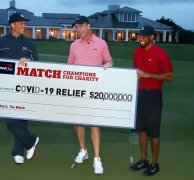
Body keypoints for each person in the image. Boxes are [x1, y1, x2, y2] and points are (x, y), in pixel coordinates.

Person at [0, 12, 39, 165]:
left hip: (24, 87)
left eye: (24, 23)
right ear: (12, 25)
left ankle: (18, 152)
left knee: (21, 120)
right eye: (21, 23)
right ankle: (31, 141)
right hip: (5, 88)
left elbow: (38, 65)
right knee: (11, 120)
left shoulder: (29, 43)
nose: (24, 25)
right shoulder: (1, 42)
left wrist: (29, 61)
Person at [68, 16, 113, 175]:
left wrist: (107, 64)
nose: (78, 30)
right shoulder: (74, 45)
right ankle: (83, 150)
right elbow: (69, 68)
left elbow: (109, 61)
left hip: (95, 91)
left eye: (81, 26)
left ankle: (97, 159)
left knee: (95, 123)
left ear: (88, 26)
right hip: (79, 90)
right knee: (79, 123)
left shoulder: (101, 43)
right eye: (77, 27)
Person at [129, 25, 173, 176]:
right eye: (139, 36)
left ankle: (155, 164)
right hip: (139, 95)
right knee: (142, 130)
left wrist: (148, 75)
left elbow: (169, 76)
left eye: (144, 36)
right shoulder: (136, 53)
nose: (140, 38)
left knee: (154, 133)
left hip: (154, 96)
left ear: (152, 37)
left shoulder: (160, 54)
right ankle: (144, 159)